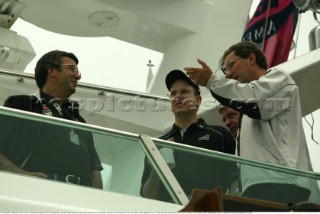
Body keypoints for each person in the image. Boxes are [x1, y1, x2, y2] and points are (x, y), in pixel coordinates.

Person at [184, 41, 318, 204]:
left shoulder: (279, 79)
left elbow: (254, 100)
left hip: (283, 182)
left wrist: (213, 82)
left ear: (252, 59)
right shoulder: (246, 110)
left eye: (231, 65)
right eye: (225, 71)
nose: (228, 74)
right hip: (259, 186)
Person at [0, 50, 103, 189]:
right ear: (52, 71)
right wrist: (18, 174)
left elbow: (94, 167)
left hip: (80, 197)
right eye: (72, 69)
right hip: (39, 191)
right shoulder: (22, 104)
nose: (78, 75)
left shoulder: (79, 119)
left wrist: (97, 198)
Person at [140, 69, 239, 202]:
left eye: (185, 92)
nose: (178, 97)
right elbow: (147, 196)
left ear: (198, 100)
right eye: (173, 94)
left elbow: (235, 178)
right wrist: (156, 168)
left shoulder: (219, 134)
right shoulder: (157, 145)